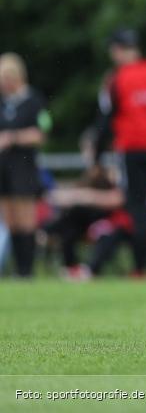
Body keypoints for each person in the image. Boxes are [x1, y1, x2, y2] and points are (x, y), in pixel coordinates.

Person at [95, 29, 146, 276]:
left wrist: (97, 153)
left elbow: (108, 118)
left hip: (132, 147)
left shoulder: (119, 78)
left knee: (137, 207)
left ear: (117, 50)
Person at [0, 52, 52, 277]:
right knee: (10, 219)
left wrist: (12, 138)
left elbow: (42, 133)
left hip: (23, 166)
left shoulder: (34, 101)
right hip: (3, 167)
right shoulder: (3, 102)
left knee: (25, 218)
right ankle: (17, 270)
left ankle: (27, 271)